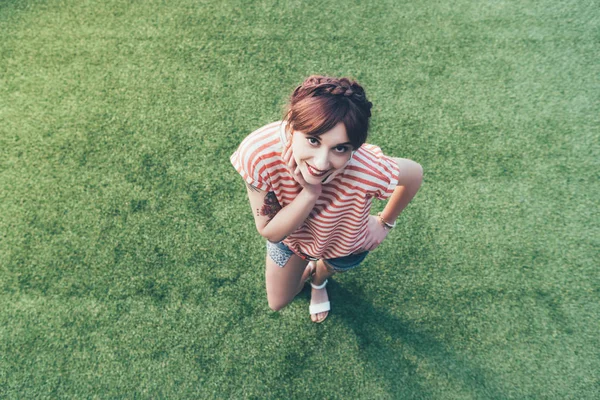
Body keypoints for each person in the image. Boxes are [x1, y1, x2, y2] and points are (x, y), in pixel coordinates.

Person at [230, 75, 423, 323]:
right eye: (313, 140)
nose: (321, 163)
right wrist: (311, 193)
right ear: (291, 124)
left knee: (328, 269)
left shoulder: (367, 166)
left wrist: (386, 222)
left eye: (340, 148)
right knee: (278, 301)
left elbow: (414, 173)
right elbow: (271, 230)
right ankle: (310, 270)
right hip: (291, 240)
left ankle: (319, 281)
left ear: (355, 147)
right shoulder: (258, 153)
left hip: (344, 240)